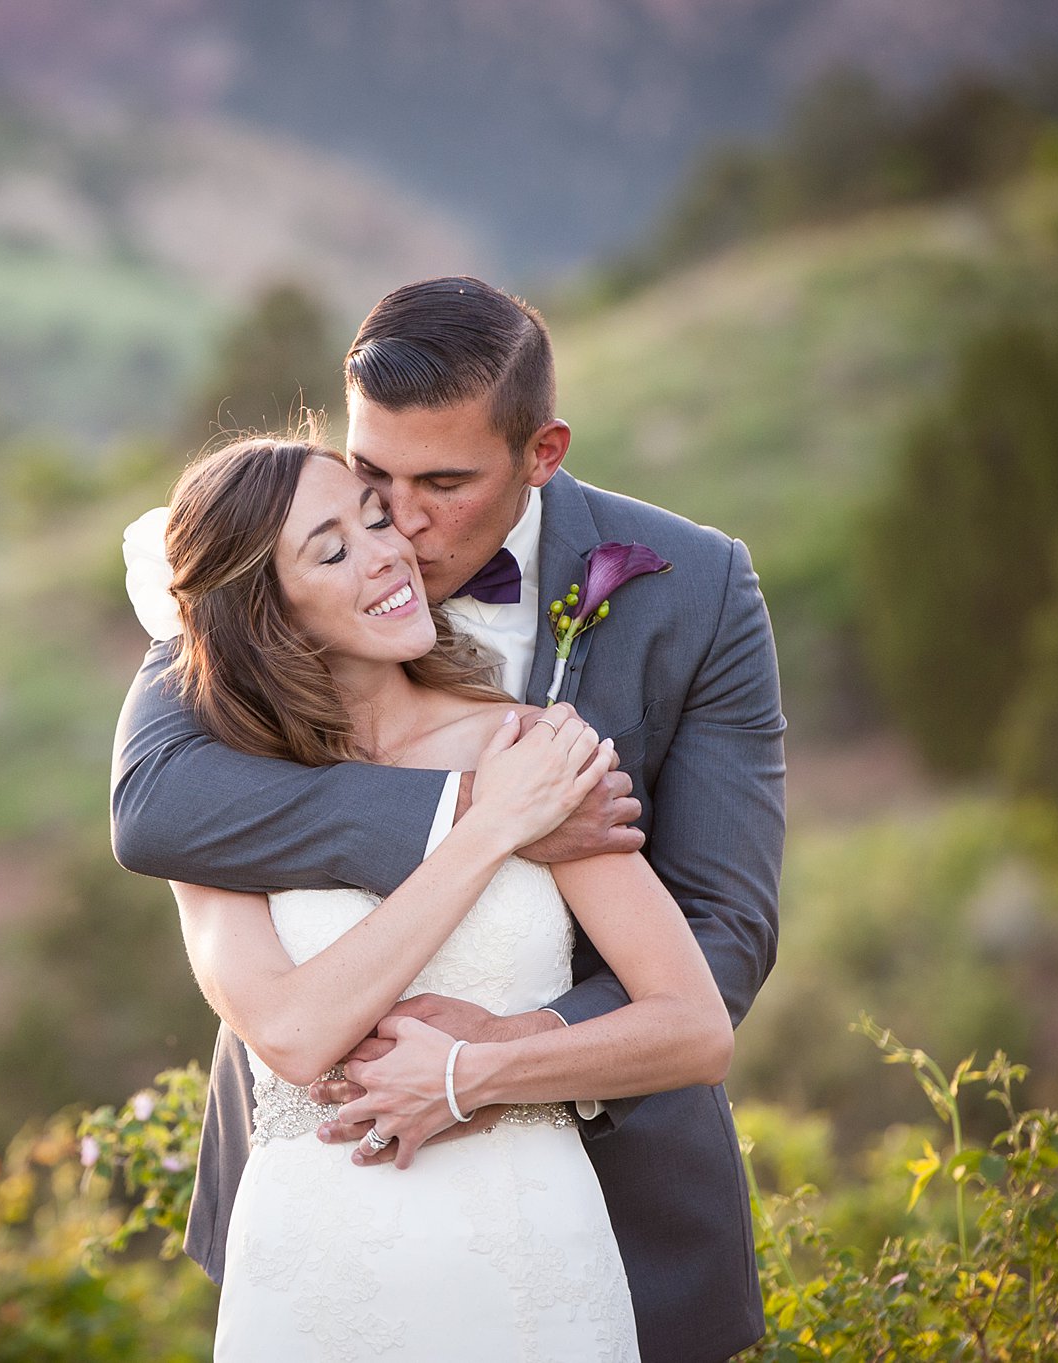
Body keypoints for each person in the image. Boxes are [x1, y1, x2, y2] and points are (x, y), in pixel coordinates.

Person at [113, 276, 785, 1363]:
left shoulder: (693, 590)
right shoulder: (258, 566)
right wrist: (481, 816)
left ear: (540, 452)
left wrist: (499, 1060)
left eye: (441, 486)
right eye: (370, 481)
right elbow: (155, 809)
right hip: (315, 1214)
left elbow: (722, 932)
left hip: (584, 1198)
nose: (399, 530)